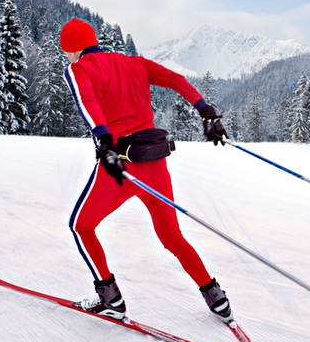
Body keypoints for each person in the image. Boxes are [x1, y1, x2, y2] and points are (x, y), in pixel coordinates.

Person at [59, 18, 233, 324]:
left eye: (67, 53)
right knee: (172, 236)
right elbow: (176, 80)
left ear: (72, 50)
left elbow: (86, 101)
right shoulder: (134, 63)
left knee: (81, 226)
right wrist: (205, 110)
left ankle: (110, 297)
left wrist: (103, 139)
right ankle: (215, 296)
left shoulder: (78, 68)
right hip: (155, 165)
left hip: (120, 168)